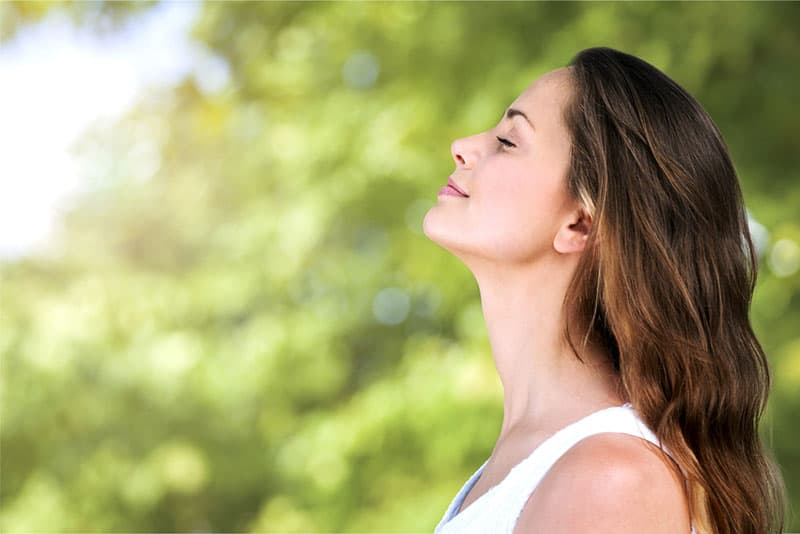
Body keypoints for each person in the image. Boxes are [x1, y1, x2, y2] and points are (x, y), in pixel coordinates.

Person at [423, 47, 785, 534]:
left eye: (508, 140)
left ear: (580, 223)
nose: (463, 146)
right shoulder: (532, 467)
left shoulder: (611, 481)